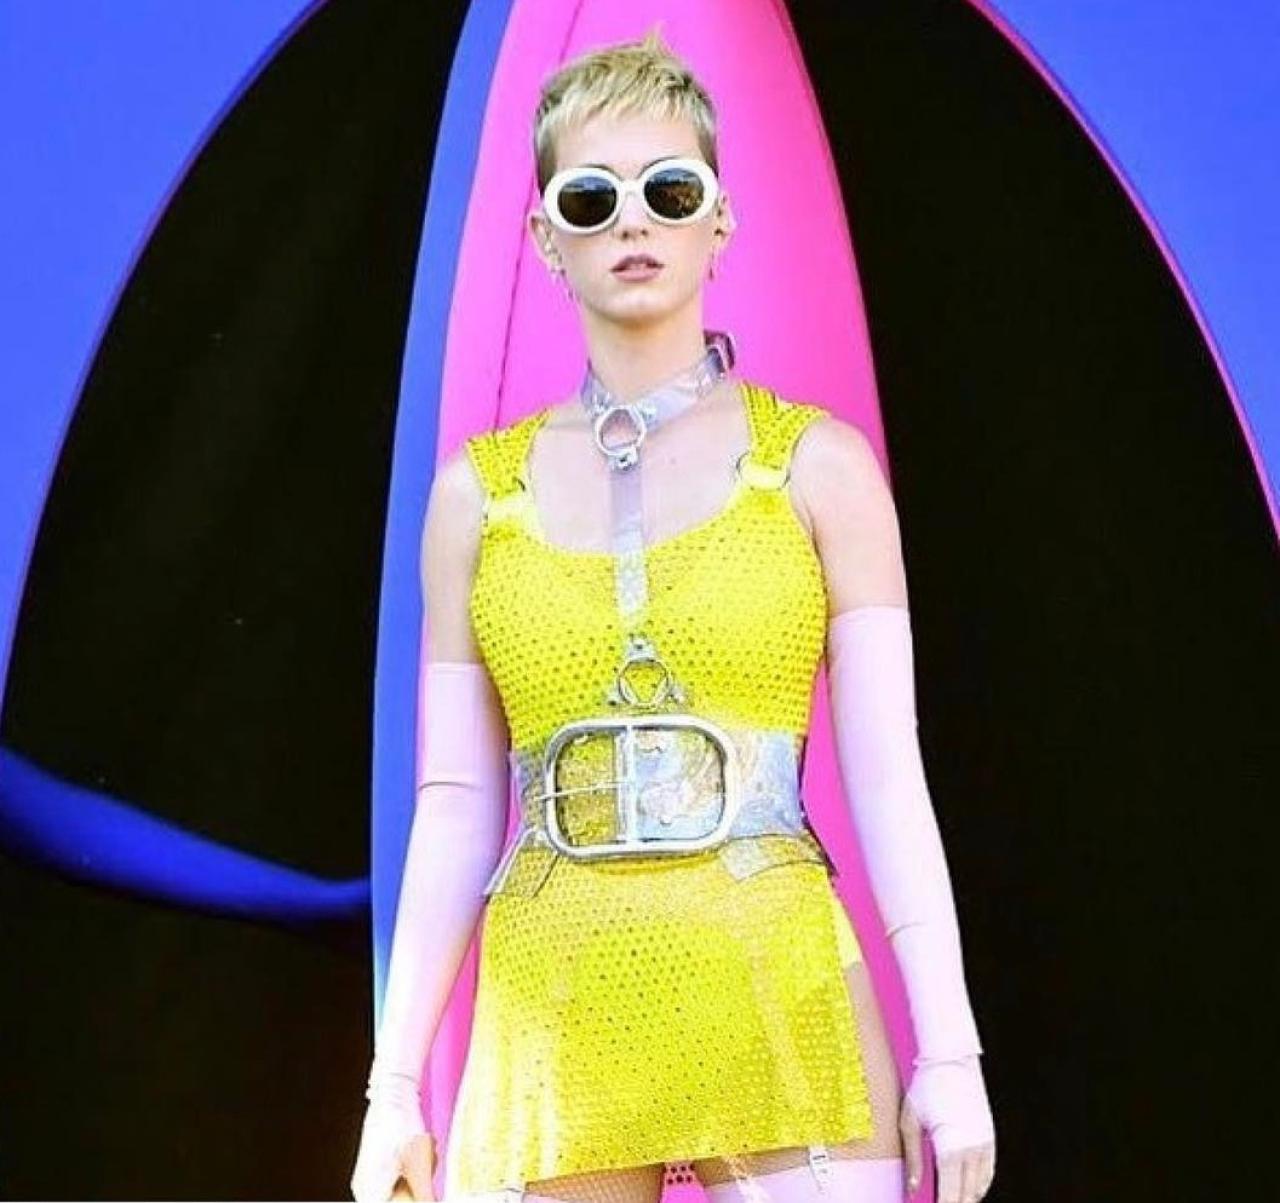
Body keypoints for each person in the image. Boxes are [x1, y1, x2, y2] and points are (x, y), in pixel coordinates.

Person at [351, 29, 996, 1203]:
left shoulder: (821, 471)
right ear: (543, 236)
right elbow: (452, 800)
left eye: (668, 190)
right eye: (590, 199)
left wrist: (948, 1053)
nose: (632, 223)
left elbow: (886, 774)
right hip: (554, 1003)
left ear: (719, 218)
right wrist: (392, 1088)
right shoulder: (473, 501)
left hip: (774, 975)